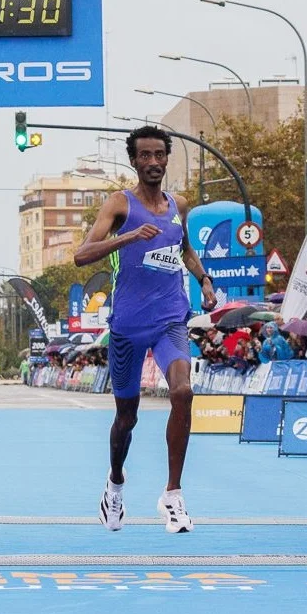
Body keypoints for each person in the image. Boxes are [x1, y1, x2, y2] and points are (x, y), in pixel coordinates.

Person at [74, 125, 217, 534]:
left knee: (183, 392)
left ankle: (172, 495)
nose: (153, 162)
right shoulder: (119, 205)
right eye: (145, 156)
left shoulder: (179, 205)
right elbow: (82, 256)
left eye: (160, 155)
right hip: (128, 326)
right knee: (127, 417)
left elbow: (183, 248)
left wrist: (204, 279)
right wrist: (130, 236)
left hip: (171, 318)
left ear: (167, 159)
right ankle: (115, 484)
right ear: (134, 161)